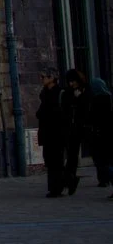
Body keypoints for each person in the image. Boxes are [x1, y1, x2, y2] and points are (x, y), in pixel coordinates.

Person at [37, 66, 87, 197]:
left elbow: (64, 113)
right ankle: (68, 181)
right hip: (47, 131)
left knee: (56, 161)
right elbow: (41, 111)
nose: (41, 79)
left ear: (52, 78)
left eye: (44, 77)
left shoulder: (61, 93)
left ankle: (56, 189)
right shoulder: (44, 93)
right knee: (49, 160)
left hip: (57, 132)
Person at [88, 75, 113, 193]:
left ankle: (104, 179)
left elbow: (93, 117)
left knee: (101, 159)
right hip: (108, 133)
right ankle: (106, 179)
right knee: (106, 159)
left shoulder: (96, 101)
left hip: (99, 133)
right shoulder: (109, 97)